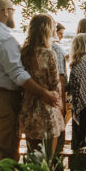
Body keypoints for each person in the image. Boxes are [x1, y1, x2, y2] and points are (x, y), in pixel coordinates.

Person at [0, 0, 59, 166]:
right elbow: (18, 74)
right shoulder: (3, 38)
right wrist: (44, 93)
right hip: (2, 99)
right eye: (12, 10)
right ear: (5, 11)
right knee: (8, 150)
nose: (14, 13)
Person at [19, 15, 66, 154]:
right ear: (46, 30)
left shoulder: (23, 52)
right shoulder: (49, 54)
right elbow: (54, 83)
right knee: (48, 160)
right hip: (47, 108)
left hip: (28, 107)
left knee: (32, 155)